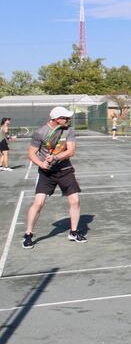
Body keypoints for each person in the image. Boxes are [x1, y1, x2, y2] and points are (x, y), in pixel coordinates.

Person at [22, 106, 86, 248]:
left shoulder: (68, 130)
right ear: (56, 119)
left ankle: (73, 232)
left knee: (75, 201)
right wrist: (42, 164)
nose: (68, 120)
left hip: (65, 170)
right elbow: (31, 153)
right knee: (38, 203)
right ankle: (28, 234)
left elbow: (70, 151)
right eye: (65, 118)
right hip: (47, 173)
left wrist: (56, 157)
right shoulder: (40, 133)